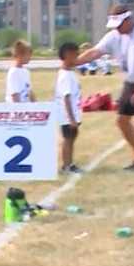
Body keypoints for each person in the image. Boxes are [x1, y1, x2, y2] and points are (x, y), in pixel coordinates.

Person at [74, 4, 134, 171]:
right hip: (131, 82)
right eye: (114, 26)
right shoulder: (114, 36)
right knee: (122, 121)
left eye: (119, 25)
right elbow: (95, 52)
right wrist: (73, 62)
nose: (117, 29)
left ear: (128, 20)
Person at [54, 42, 83, 173]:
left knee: (72, 138)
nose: (77, 58)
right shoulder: (65, 75)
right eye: (75, 55)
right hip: (67, 116)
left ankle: (70, 163)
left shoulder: (70, 73)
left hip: (74, 113)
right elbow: (66, 98)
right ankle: (66, 165)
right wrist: (71, 118)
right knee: (68, 138)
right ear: (67, 55)